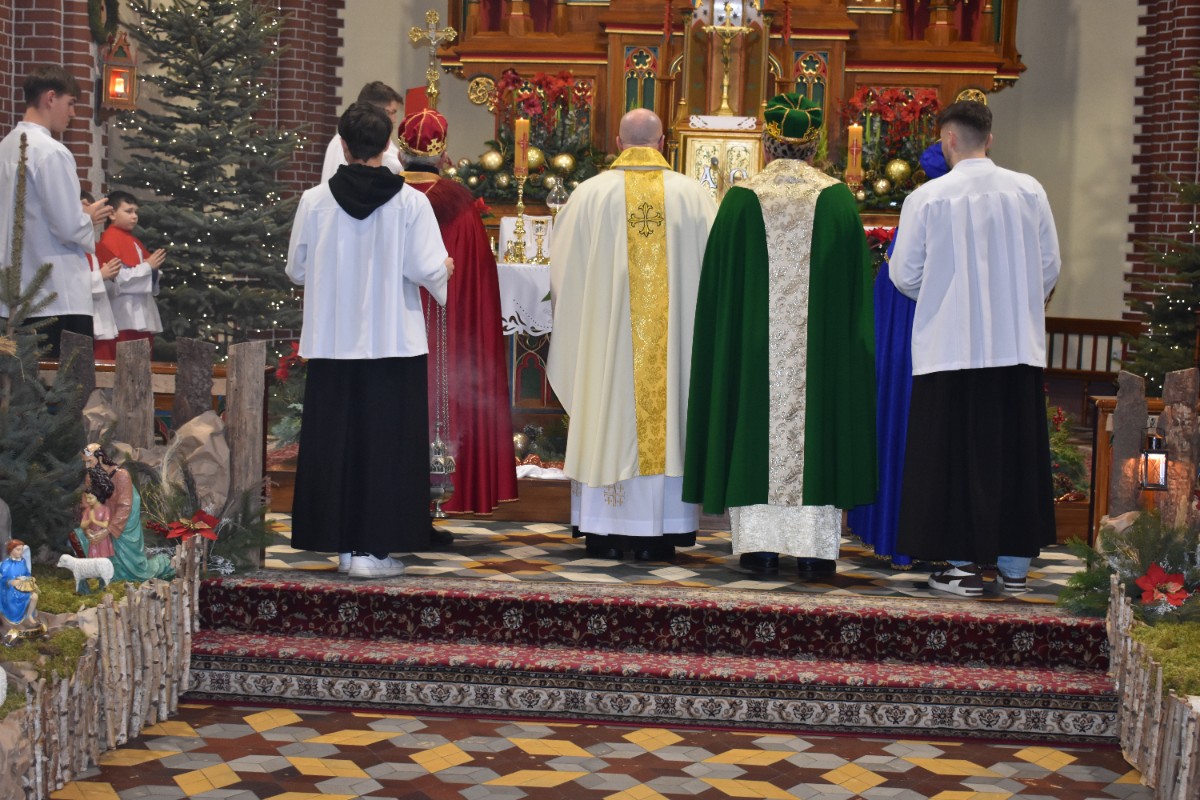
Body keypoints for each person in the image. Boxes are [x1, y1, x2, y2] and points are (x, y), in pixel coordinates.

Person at [683, 93, 876, 578]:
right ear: (814, 146)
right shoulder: (837, 199)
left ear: (767, 145)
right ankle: (814, 552)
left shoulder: (742, 199)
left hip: (752, 353)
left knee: (754, 421)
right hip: (822, 356)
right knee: (818, 428)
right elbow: (856, 294)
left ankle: (760, 549)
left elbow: (717, 294)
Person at [889, 100, 1060, 596]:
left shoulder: (928, 198)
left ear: (947, 139)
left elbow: (904, 274)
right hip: (1016, 347)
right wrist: (1015, 305)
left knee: (951, 456)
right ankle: (1014, 568)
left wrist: (944, 297)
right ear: (990, 138)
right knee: (1014, 453)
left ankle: (962, 567)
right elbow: (1049, 266)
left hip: (950, 348)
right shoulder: (1029, 190)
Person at [287, 102, 453, 579]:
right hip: (392, 343)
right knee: (385, 446)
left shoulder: (314, 201)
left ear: (343, 146)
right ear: (388, 147)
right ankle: (374, 551)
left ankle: (343, 547)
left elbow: (297, 269)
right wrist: (444, 269)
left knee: (335, 444)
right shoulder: (410, 203)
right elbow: (424, 267)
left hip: (333, 342)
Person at [546, 108, 717, 562]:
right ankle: (662, 530)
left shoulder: (587, 195)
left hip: (608, 353)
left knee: (606, 408)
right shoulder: (694, 197)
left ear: (618, 143)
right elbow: (714, 282)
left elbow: (562, 279)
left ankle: (605, 530)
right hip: (672, 356)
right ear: (662, 143)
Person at [396, 92, 518, 519]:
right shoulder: (459, 204)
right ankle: (443, 493)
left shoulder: (387, 198)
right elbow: (477, 279)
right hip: (449, 332)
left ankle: (396, 495)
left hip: (394, 326)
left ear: (401, 152)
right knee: (444, 393)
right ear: (443, 154)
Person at [846, 141, 950, 569]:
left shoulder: (920, 205)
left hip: (908, 333)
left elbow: (900, 278)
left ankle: (895, 533)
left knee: (900, 417)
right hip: (956, 340)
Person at [0, 65, 112, 357]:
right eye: (71, 103)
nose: (72, 113)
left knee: (16, 380)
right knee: (62, 381)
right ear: (51, 98)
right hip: (54, 296)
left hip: (11, 295)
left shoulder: (5, 147)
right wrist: (88, 217)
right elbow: (68, 227)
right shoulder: (51, 151)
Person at [76, 443, 175, 582]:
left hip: (123, 522)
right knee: (81, 537)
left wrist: (108, 530)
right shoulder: (90, 477)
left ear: (100, 459)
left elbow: (125, 506)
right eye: (85, 462)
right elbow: (86, 504)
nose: (87, 466)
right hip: (101, 519)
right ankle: (103, 573)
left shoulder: (121, 475)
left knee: (136, 571)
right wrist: (87, 528)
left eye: (89, 461)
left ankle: (163, 564)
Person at [96, 190, 165, 353]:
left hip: (142, 311)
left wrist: (154, 270)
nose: (134, 216)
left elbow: (144, 271)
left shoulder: (134, 241)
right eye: (128, 211)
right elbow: (118, 279)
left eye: (136, 212)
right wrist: (148, 267)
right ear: (112, 214)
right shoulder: (109, 240)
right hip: (123, 312)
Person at [321, 81, 404, 181]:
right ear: (373, 110)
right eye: (391, 112)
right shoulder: (368, 139)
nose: (394, 120)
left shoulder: (340, 138)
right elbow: (397, 170)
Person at [80, 190, 122, 361]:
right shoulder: (70, 247)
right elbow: (66, 285)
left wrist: (110, 277)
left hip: (101, 318)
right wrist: (100, 276)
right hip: (83, 319)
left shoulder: (93, 247)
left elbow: (111, 291)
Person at [0, 539, 39, 632]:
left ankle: (29, 615)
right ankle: (13, 618)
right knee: (13, 607)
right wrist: (11, 582)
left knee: (34, 596)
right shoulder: (6, 564)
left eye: (21, 549)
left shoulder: (22, 562)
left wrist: (28, 579)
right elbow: (3, 580)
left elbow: (27, 573)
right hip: (10, 592)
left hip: (23, 588)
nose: (21, 552)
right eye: (18, 550)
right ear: (11, 550)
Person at [78, 490, 115, 559]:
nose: (88, 500)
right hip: (93, 537)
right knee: (93, 557)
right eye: (86, 498)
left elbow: (105, 525)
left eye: (90, 498)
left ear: (97, 497)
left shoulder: (105, 509)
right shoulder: (88, 510)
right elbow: (82, 525)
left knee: (103, 558)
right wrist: (89, 520)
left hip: (103, 538)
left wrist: (94, 520)